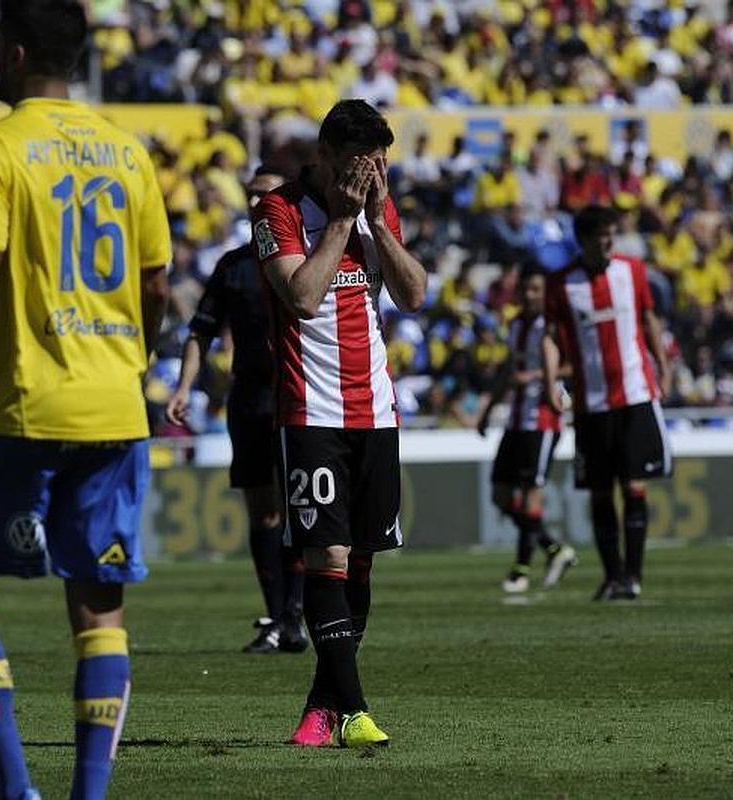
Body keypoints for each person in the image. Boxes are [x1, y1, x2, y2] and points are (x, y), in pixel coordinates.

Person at [0, 3, 172, 799]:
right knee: (99, 610)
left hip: (16, 405)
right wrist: (131, 362)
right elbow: (155, 283)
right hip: (114, 408)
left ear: (15, 54)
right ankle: (88, 795)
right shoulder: (131, 155)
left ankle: (16, 788)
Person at [252, 99, 427, 748]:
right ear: (324, 159)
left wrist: (376, 222)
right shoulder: (279, 212)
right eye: (360, 165)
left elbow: (413, 294)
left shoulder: (380, 209)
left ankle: (323, 707)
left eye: (380, 163)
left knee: (358, 567)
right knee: (324, 555)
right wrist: (342, 222)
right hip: (311, 410)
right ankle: (354, 711)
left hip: (375, 412)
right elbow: (300, 297)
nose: (372, 175)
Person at [165, 167, 310, 655]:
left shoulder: (306, 260)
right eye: (249, 196)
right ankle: (278, 616)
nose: (253, 205)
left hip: (302, 396)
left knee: (301, 510)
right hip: (249, 401)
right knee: (264, 512)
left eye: (263, 196)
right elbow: (200, 331)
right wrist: (185, 386)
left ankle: (297, 613)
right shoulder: (232, 266)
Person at [542, 206, 672, 602]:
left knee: (634, 486)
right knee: (600, 492)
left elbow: (648, 319)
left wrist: (662, 366)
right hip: (591, 403)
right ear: (582, 240)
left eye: (611, 233)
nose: (607, 240)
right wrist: (552, 383)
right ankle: (613, 575)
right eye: (600, 235)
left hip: (635, 393)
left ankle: (633, 576)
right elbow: (550, 335)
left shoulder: (631, 270)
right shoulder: (562, 283)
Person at [476, 265, 577, 594]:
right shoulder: (517, 323)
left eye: (536, 289)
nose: (530, 295)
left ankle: (520, 572)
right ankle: (554, 549)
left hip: (543, 420)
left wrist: (535, 377)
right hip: (516, 421)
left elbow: (573, 363)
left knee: (531, 494)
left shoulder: (557, 324)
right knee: (501, 495)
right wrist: (488, 410)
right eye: (526, 290)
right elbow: (510, 367)